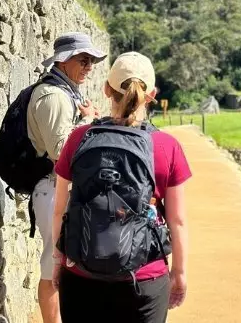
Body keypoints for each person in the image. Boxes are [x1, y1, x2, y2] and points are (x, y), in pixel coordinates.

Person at [51, 52, 191, 322]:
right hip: (144, 278)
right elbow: (177, 221)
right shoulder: (166, 146)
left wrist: (58, 261)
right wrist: (180, 273)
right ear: (151, 95)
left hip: (81, 273)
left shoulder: (79, 139)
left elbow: (59, 210)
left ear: (106, 89)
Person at [28, 32, 106, 323]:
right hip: (51, 189)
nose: (89, 67)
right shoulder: (53, 96)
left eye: (91, 62)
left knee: (67, 263)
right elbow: (60, 153)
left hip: (60, 189)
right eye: (83, 60)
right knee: (52, 266)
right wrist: (87, 121)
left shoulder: (66, 93)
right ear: (63, 61)